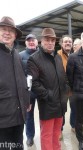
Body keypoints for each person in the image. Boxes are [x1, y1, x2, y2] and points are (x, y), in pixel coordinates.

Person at [27, 28, 68, 150]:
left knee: (57, 134)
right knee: (47, 135)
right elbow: (33, 82)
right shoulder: (34, 59)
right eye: (47, 40)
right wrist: (48, 95)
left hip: (60, 103)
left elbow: (63, 76)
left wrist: (66, 90)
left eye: (52, 40)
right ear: (41, 41)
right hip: (47, 104)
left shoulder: (57, 57)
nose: (50, 43)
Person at [0, 16, 30, 150]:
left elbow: (22, 80)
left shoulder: (17, 55)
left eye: (10, 30)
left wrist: (27, 101)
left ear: (15, 35)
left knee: (18, 146)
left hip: (19, 116)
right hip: (3, 120)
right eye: (3, 29)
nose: (7, 33)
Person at [19, 34, 38, 147]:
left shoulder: (43, 54)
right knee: (28, 115)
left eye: (33, 40)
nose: (31, 42)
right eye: (28, 40)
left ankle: (45, 133)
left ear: (37, 42)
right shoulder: (20, 56)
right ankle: (30, 136)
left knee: (45, 114)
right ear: (25, 43)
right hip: (28, 92)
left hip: (41, 90)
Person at [57, 35, 73, 135]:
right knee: (62, 110)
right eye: (65, 41)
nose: (67, 43)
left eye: (69, 42)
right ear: (61, 43)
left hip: (74, 88)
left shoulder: (74, 55)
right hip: (62, 89)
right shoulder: (57, 55)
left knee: (74, 108)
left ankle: (74, 125)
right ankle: (60, 130)